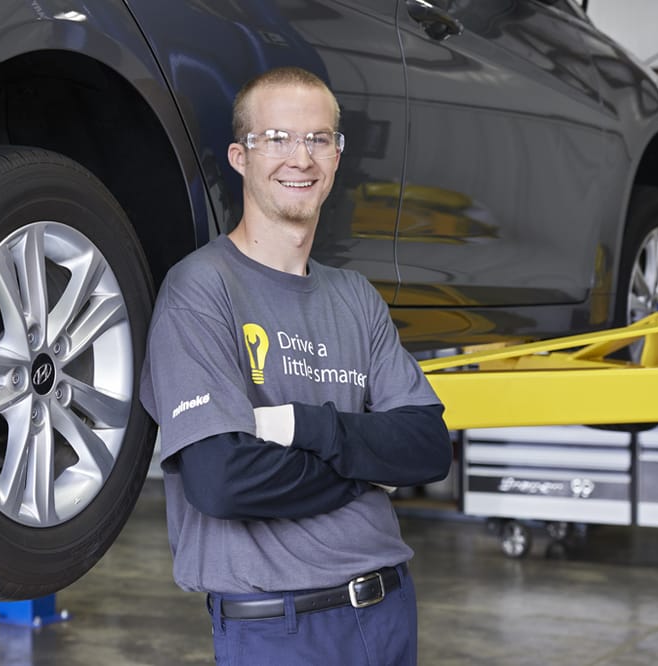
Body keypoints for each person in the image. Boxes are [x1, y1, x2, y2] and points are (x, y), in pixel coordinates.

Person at [139, 66, 452, 665]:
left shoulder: (355, 297)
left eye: (318, 139)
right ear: (240, 156)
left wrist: (305, 427)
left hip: (389, 609)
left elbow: (428, 448)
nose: (300, 158)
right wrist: (366, 471)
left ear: (336, 156)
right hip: (278, 630)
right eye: (277, 138)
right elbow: (221, 480)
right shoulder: (200, 290)